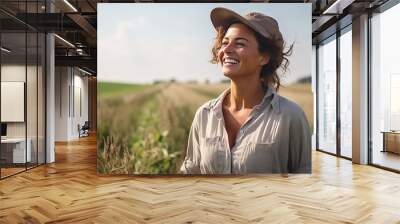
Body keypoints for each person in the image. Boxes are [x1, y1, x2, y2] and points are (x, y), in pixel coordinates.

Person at [180, 7, 311, 174]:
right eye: (225, 42)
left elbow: (304, 181)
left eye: (240, 43)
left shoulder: (290, 116)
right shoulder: (204, 115)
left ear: (264, 57)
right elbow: (191, 173)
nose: (226, 50)